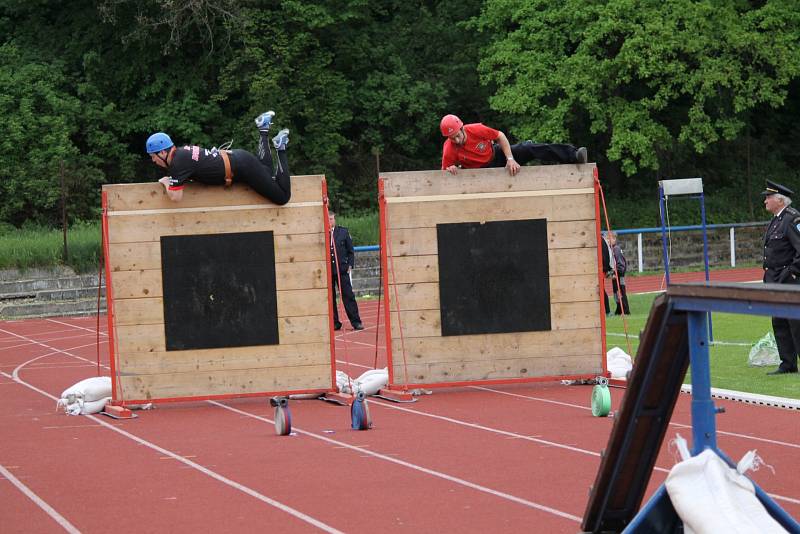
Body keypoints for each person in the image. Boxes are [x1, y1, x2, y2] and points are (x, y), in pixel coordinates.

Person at [145, 110, 291, 204]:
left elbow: (176, 198)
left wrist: (166, 182)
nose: (153, 161)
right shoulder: (182, 154)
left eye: (153, 156)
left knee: (282, 197)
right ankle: (263, 129)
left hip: (241, 166)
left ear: (163, 152)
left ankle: (280, 148)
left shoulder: (177, 164)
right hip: (239, 160)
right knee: (267, 172)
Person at [439, 114, 587, 176]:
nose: (457, 140)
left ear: (462, 128)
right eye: (452, 139)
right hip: (478, 172)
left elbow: (500, 136)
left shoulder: (476, 129)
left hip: (496, 156)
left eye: (457, 136)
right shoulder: (449, 149)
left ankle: (573, 155)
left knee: (527, 148)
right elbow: (443, 175)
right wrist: (450, 170)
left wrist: (510, 159)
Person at [762, 179, 800, 375]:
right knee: (779, 321)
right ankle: (788, 364)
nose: (765, 201)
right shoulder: (776, 219)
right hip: (774, 279)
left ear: (780, 200)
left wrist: (792, 272)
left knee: (796, 323)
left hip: (789, 279)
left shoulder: (793, 219)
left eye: (768, 197)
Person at [329, 210, 364, 331]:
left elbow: (351, 251)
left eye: (332, 218)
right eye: (328, 219)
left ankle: (356, 322)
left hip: (342, 270)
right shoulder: (322, 233)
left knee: (348, 296)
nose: (330, 221)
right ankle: (335, 322)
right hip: (328, 271)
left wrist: (350, 265)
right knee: (330, 298)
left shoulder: (343, 232)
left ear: (335, 219)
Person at [608, 232, 630, 315]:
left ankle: (626, 310)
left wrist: (616, 273)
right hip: (615, 275)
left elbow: (620, 264)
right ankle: (619, 309)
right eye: (607, 239)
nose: (608, 241)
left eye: (610, 239)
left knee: (621, 292)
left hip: (619, 275)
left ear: (614, 239)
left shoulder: (616, 249)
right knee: (616, 293)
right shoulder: (611, 249)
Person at [600, 232, 613, 315]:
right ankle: (607, 311)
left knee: (601, 290)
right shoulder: (602, 240)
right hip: (603, 269)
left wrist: (607, 269)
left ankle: (607, 311)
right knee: (601, 290)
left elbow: (605, 256)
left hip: (601, 269)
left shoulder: (601, 240)